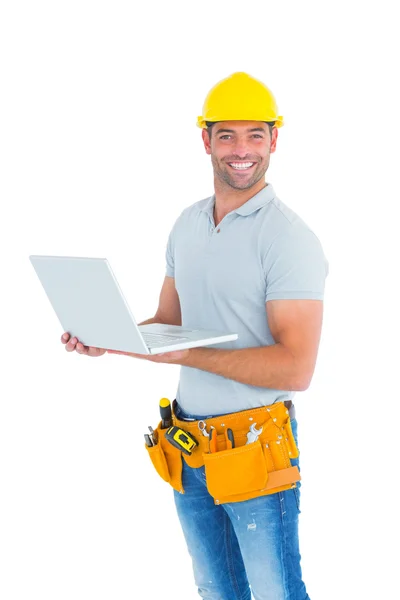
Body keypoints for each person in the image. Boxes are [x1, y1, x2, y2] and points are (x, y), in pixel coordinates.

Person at [61, 71, 328, 600]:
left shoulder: (288, 239)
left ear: (275, 139)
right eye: (226, 134)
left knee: (276, 592)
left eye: (255, 134)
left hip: (256, 446)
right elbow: (167, 320)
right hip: (189, 447)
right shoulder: (187, 224)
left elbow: (296, 369)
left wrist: (193, 354)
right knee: (216, 592)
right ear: (205, 139)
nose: (241, 149)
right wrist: (107, 337)